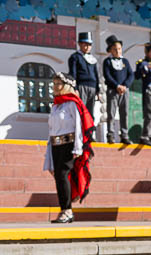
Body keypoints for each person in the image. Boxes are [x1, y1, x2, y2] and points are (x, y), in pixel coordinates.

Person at [43, 73, 94, 224]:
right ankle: (65, 210)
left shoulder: (72, 103)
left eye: (58, 83)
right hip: (55, 145)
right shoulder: (55, 106)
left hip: (69, 145)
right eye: (54, 83)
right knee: (58, 176)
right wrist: (48, 152)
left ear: (66, 86)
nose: (55, 86)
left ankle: (67, 211)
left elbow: (79, 125)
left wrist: (78, 148)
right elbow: (51, 130)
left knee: (62, 175)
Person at [102, 34, 133, 144]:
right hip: (113, 90)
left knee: (124, 113)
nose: (117, 51)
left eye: (119, 49)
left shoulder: (125, 61)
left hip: (124, 90)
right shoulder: (107, 61)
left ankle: (124, 134)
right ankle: (110, 134)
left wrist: (125, 85)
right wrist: (117, 86)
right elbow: (107, 75)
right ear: (110, 50)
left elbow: (131, 74)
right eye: (115, 49)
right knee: (111, 113)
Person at [68, 32, 99, 121]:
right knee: (81, 110)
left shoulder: (92, 59)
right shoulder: (75, 57)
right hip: (81, 86)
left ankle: (89, 129)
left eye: (90, 44)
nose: (88, 47)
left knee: (90, 112)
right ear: (80, 44)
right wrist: (75, 88)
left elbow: (96, 75)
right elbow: (73, 74)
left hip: (92, 88)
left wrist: (98, 90)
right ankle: (80, 129)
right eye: (85, 44)